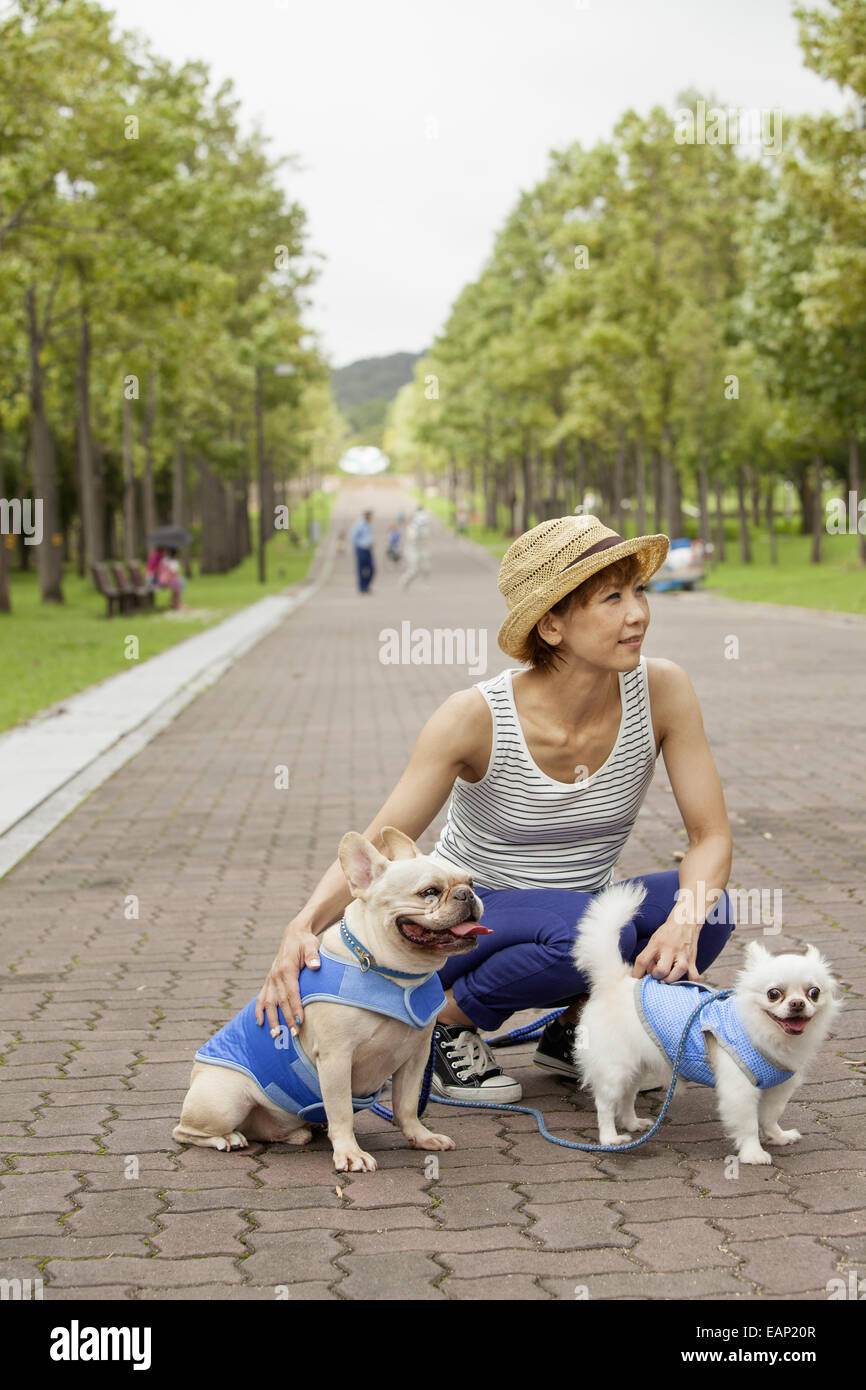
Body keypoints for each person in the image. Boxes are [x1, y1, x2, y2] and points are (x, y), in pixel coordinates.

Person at [256, 514, 734, 1106]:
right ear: (552, 625)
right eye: (612, 598)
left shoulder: (662, 690)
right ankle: (443, 1025)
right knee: (585, 933)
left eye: (638, 592)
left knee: (707, 910)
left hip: (576, 912)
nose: (639, 613)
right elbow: (386, 837)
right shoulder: (474, 716)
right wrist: (301, 926)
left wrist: (683, 919)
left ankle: (576, 1028)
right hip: (472, 918)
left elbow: (709, 836)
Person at [400, 504, 431, 589]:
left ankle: (425, 583)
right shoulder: (412, 529)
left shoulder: (425, 527)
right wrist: (416, 530)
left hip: (422, 549)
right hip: (412, 550)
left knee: (426, 567)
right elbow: (412, 539)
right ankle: (404, 581)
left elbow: (426, 539)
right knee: (414, 570)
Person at [350, 509, 375, 594]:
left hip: (368, 549)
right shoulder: (359, 524)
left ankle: (366, 585)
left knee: (371, 569)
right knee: (361, 569)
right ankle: (362, 587)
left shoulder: (367, 525)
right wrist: (357, 548)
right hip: (361, 549)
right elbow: (354, 537)